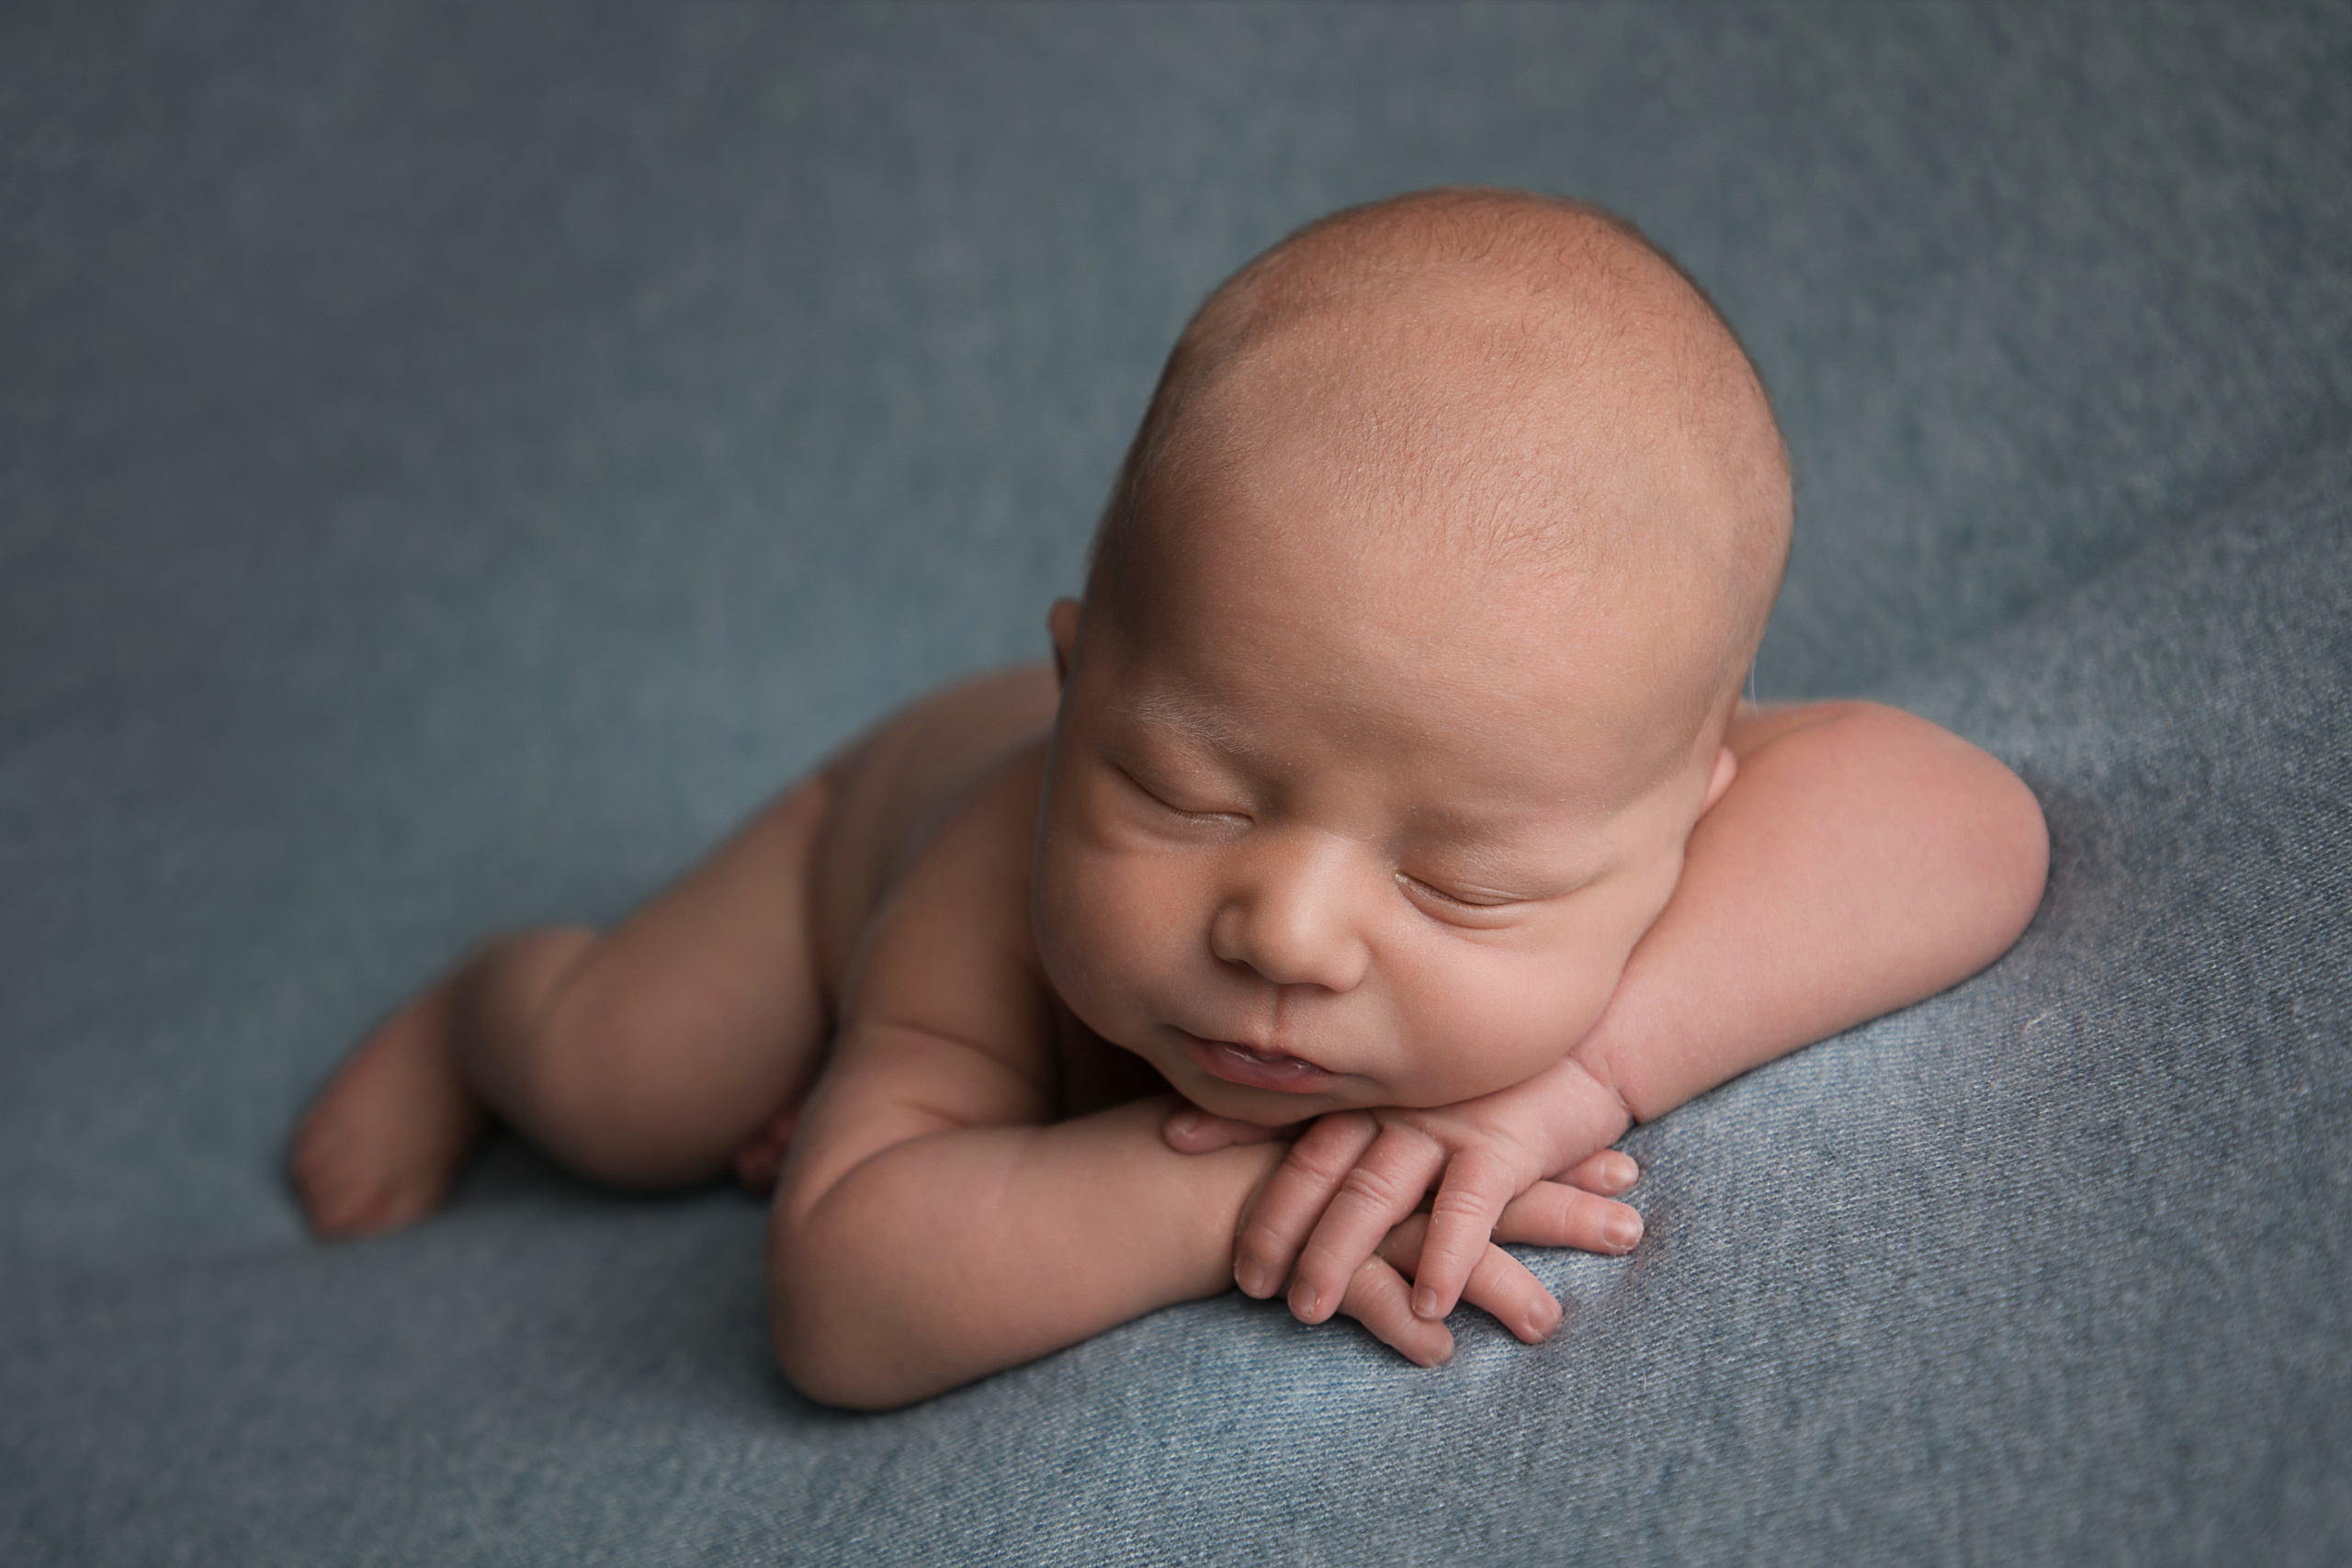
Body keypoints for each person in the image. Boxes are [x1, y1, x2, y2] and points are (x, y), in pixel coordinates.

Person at [291, 187, 2049, 1410]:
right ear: (1077, 687)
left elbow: (1971, 820)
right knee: (634, 1087)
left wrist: (1585, 1070)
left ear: (1686, 807)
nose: (1282, 926)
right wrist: (1225, 1200)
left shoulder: (1589, 759)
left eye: (1455, 882)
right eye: (1185, 792)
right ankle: (484, 1017)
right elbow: (836, 1297)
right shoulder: (994, 883)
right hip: (858, 849)